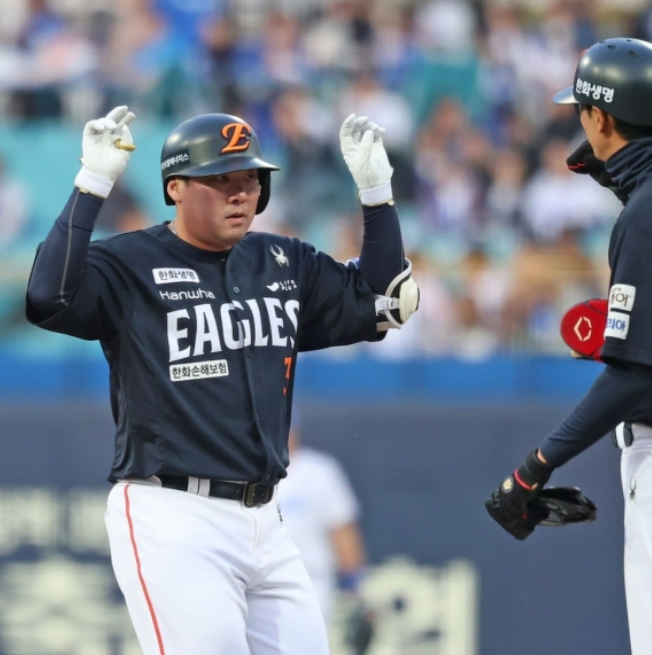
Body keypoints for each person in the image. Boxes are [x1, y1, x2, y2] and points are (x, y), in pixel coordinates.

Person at [24, 106, 418, 655]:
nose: (241, 194)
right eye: (221, 179)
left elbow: (385, 302)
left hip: (267, 518)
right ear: (176, 188)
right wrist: (91, 184)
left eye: (250, 179)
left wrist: (376, 195)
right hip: (174, 514)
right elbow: (48, 297)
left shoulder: (282, 260)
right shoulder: (131, 262)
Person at [485, 37, 652, 655]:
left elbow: (637, 375)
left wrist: (534, 467)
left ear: (600, 117)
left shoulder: (644, 214)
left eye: (581, 110)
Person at [276, 418, 367, 623]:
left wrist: (354, 584)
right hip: (255, 582)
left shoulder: (319, 471)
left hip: (310, 581)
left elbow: (341, 528)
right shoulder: (247, 470)